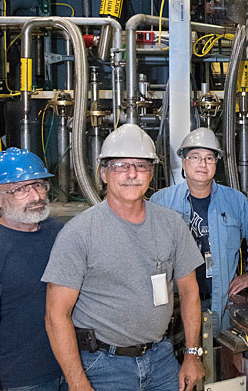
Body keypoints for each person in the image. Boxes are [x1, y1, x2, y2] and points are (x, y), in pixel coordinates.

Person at [42, 124, 204, 391]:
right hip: (103, 367)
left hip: (161, 360)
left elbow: (189, 293)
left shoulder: (172, 224)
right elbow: (56, 315)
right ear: (104, 173)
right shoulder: (79, 233)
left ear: (151, 173)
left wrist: (192, 354)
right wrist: (77, 383)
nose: (132, 174)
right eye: (120, 165)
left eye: (141, 166)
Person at [0, 148, 66, 391]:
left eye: (38, 185)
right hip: (22, 382)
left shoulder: (60, 234)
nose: (35, 196)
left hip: (70, 369)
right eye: (20, 189)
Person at [151, 127, 248, 335]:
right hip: (175, 306)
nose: (202, 164)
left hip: (220, 305)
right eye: (195, 157)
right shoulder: (161, 202)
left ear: (217, 163)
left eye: (209, 158)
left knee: (220, 360)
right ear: (184, 162)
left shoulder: (236, 201)